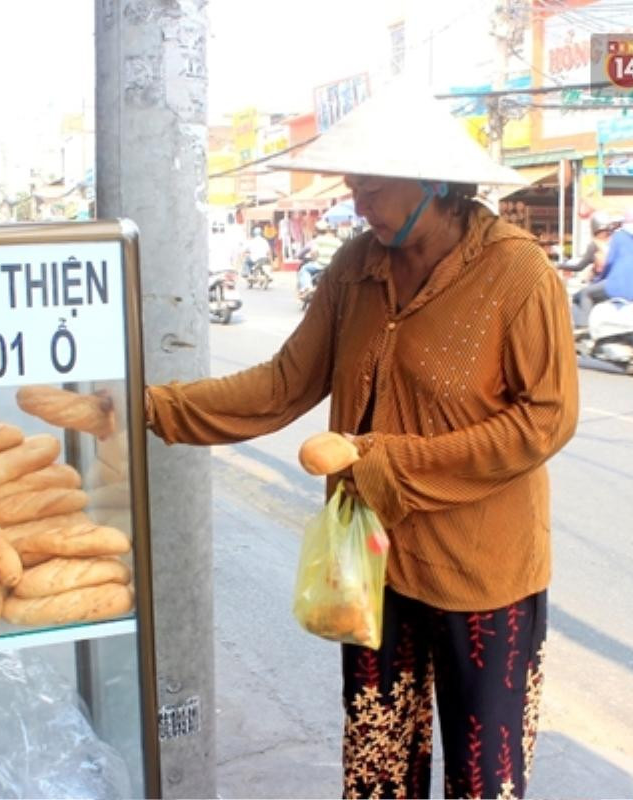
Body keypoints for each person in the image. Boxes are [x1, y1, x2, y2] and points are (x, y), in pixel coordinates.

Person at [144, 90, 578, 799]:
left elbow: (545, 421)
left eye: (372, 187)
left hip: (484, 575)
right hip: (374, 566)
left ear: (434, 182)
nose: (358, 203)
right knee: (377, 768)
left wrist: (389, 462)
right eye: (354, 186)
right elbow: (284, 384)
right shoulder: (356, 266)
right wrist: (153, 409)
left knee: (484, 781)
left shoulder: (517, 273)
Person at [573, 208, 633, 329]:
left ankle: (583, 329)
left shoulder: (618, 237)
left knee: (584, 294)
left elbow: (609, 263)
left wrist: (599, 279)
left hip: (616, 286)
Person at [296, 219, 342, 295]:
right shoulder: (338, 241)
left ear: (316, 231)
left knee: (304, 269)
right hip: (334, 267)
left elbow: (314, 253)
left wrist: (314, 258)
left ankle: (307, 288)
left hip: (320, 265)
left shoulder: (317, 240)